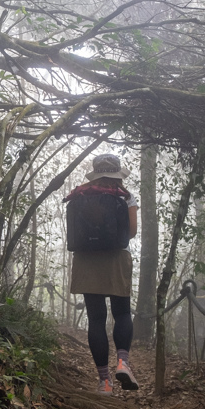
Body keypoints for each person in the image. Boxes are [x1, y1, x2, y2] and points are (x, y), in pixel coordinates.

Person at [65, 153, 139, 395]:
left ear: (96, 172)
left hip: (87, 260)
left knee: (96, 319)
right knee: (122, 313)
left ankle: (104, 382)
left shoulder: (81, 195)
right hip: (116, 258)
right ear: (117, 173)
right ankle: (123, 363)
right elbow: (131, 232)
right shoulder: (125, 196)